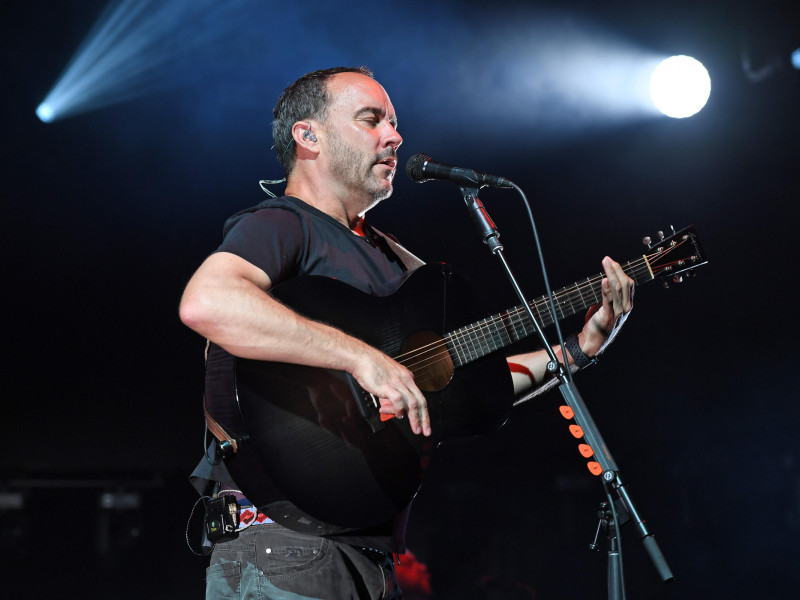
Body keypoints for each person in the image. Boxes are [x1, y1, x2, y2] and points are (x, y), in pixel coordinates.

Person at [179, 66, 634, 599]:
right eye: (371, 119)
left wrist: (578, 349)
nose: (394, 136)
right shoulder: (283, 224)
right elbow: (207, 301)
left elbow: (471, 381)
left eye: (394, 123)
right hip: (283, 549)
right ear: (308, 136)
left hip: (367, 556)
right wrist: (361, 359)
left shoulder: (395, 260)